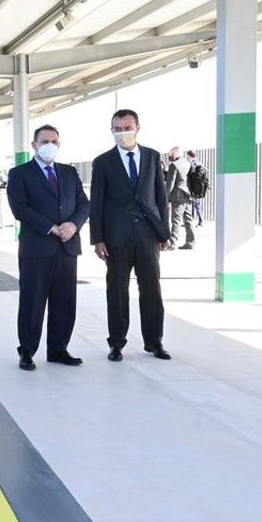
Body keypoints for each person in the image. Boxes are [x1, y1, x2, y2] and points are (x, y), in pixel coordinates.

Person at [90, 109, 172, 362]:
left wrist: (164, 232)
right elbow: (97, 202)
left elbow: (161, 197)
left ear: (138, 127)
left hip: (148, 234)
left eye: (127, 127)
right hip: (116, 237)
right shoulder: (103, 162)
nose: (123, 132)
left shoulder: (151, 157)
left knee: (151, 289)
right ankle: (116, 343)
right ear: (112, 130)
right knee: (117, 291)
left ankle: (154, 341)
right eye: (118, 128)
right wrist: (98, 239)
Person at [5, 125, 90, 371]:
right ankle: (27, 351)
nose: (49, 145)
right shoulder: (20, 173)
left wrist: (73, 225)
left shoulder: (69, 172)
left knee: (65, 301)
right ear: (34, 145)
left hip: (67, 247)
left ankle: (58, 349)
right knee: (33, 301)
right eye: (44, 141)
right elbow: (20, 208)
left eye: (54, 141)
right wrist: (51, 228)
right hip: (37, 248)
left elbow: (84, 204)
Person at [164, 147, 195, 249]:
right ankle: (191, 242)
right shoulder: (187, 163)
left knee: (176, 219)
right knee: (188, 219)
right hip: (188, 194)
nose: (170, 156)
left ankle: (173, 243)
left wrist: (166, 198)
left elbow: (170, 184)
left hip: (178, 195)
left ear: (176, 153)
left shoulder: (174, 165)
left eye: (171, 153)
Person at [186, 150, 208, 227]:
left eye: (187, 156)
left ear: (189, 156)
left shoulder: (193, 163)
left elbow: (191, 175)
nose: (187, 157)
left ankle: (200, 221)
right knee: (195, 204)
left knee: (196, 204)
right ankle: (195, 221)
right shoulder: (199, 162)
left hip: (194, 188)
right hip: (198, 187)